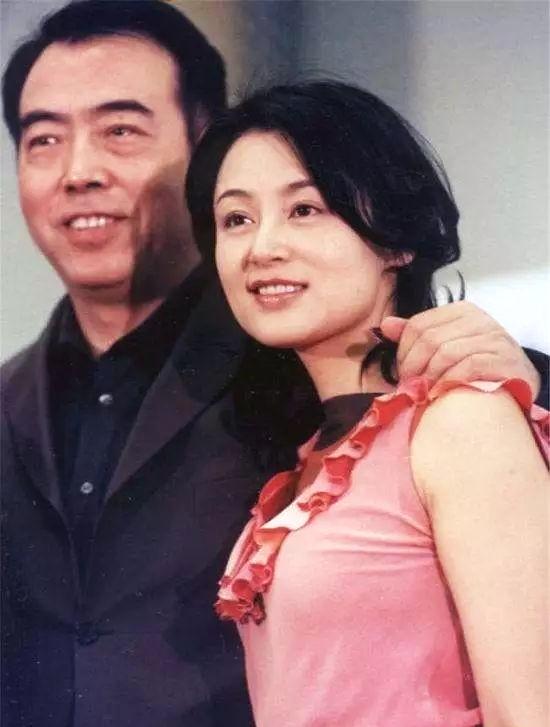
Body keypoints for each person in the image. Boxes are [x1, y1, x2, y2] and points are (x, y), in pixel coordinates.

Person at [0, 1, 547, 725]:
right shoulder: (12, 401)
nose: (80, 171)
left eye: (121, 130)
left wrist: (525, 378)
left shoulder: (311, 365)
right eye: (43, 139)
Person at [185, 81, 549, 727]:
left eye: (305, 209)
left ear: (398, 239)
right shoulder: (308, 457)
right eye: (236, 219)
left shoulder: (459, 423)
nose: (262, 247)